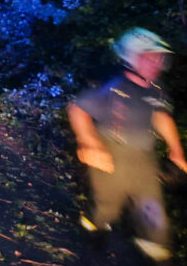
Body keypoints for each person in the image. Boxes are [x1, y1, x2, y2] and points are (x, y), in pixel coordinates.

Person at [68, 27, 187, 262]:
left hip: (145, 161)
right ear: (131, 58)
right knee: (106, 208)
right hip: (111, 158)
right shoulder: (114, 87)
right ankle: (92, 235)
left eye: (159, 58)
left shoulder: (157, 90)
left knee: (154, 217)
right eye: (148, 58)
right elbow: (78, 108)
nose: (156, 63)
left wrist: (177, 152)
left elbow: (162, 117)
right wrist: (89, 142)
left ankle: (156, 256)